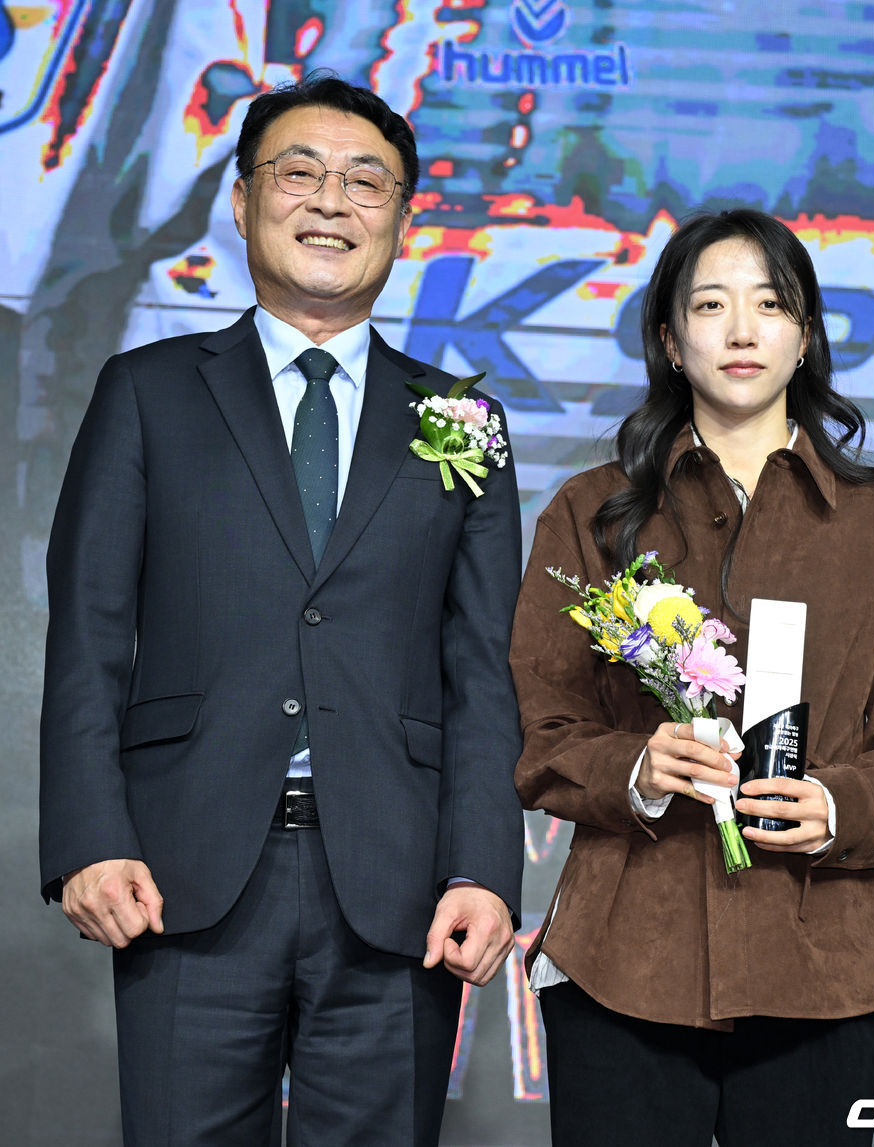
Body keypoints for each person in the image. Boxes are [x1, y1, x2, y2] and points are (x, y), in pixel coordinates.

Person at [39, 71, 524, 1146]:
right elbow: (87, 637)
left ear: (402, 217)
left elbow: (483, 671)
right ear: (244, 199)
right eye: (299, 172)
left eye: (365, 181)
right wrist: (88, 839)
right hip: (182, 874)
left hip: (397, 886)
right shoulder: (147, 392)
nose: (330, 202)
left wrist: (483, 868)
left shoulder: (462, 419)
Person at [510, 208, 874, 1146]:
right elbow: (542, 728)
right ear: (668, 339)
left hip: (823, 965)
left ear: (804, 336)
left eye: (770, 305)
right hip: (625, 959)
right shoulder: (592, 513)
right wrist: (636, 769)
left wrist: (841, 804)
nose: (740, 330)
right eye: (710, 305)